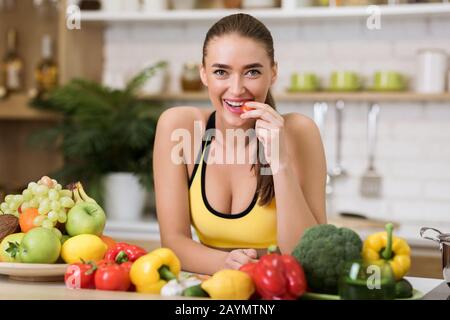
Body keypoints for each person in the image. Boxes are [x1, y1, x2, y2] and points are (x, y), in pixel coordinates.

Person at [153, 13, 327, 275]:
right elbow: (174, 243)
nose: (236, 89)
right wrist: (230, 265)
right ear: (204, 74)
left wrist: (280, 163)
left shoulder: (299, 133)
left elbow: (311, 258)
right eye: (221, 72)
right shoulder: (178, 127)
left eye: (252, 72)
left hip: (279, 291)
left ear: (273, 73)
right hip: (214, 291)